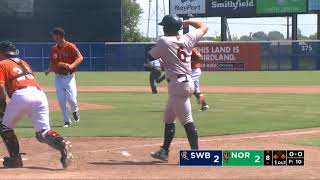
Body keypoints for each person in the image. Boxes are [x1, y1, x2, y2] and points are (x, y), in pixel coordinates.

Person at [0, 41, 73, 168]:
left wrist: (2, 105)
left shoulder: (2, 64)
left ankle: (15, 159)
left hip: (21, 95)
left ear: (2, 53)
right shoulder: (23, 63)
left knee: (5, 128)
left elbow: (1, 87)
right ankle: (61, 143)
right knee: (43, 133)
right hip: (39, 95)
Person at [148, 15, 208, 161]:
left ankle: (197, 155)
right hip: (186, 83)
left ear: (168, 28)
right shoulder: (188, 38)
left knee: (187, 121)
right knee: (169, 118)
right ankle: (164, 151)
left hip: (177, 85)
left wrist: (161, 60)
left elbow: (150, 57)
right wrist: (184, 22)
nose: (163, 28)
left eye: (164, 26)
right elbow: (203, 26)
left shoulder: (164, 41)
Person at [45, 27, 83, 128]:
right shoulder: (53, 48)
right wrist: (49, 70)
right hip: (58, 77)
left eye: (53, 35)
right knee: (61, 100)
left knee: (71, 99)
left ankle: (75, 110)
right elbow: (53, 62)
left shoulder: (70, 46)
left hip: (69, 77)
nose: (52, 37)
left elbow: (80, 57)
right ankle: (67, 121)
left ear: (58, 36)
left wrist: (71, 66)